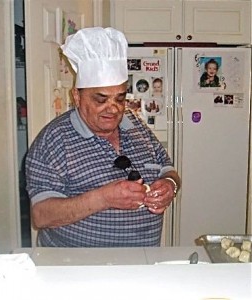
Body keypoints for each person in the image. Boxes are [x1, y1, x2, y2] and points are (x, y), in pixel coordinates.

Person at [25, 27, 180, 247]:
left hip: (143, 265)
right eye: (101, 99)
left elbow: (167, 168)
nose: (113, 108)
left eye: (119, 98)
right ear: (77, 97)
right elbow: (41, 215)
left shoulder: (135, 123)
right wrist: (104, 198)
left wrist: (169, 185)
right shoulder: (53, 140)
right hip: (79, 271)